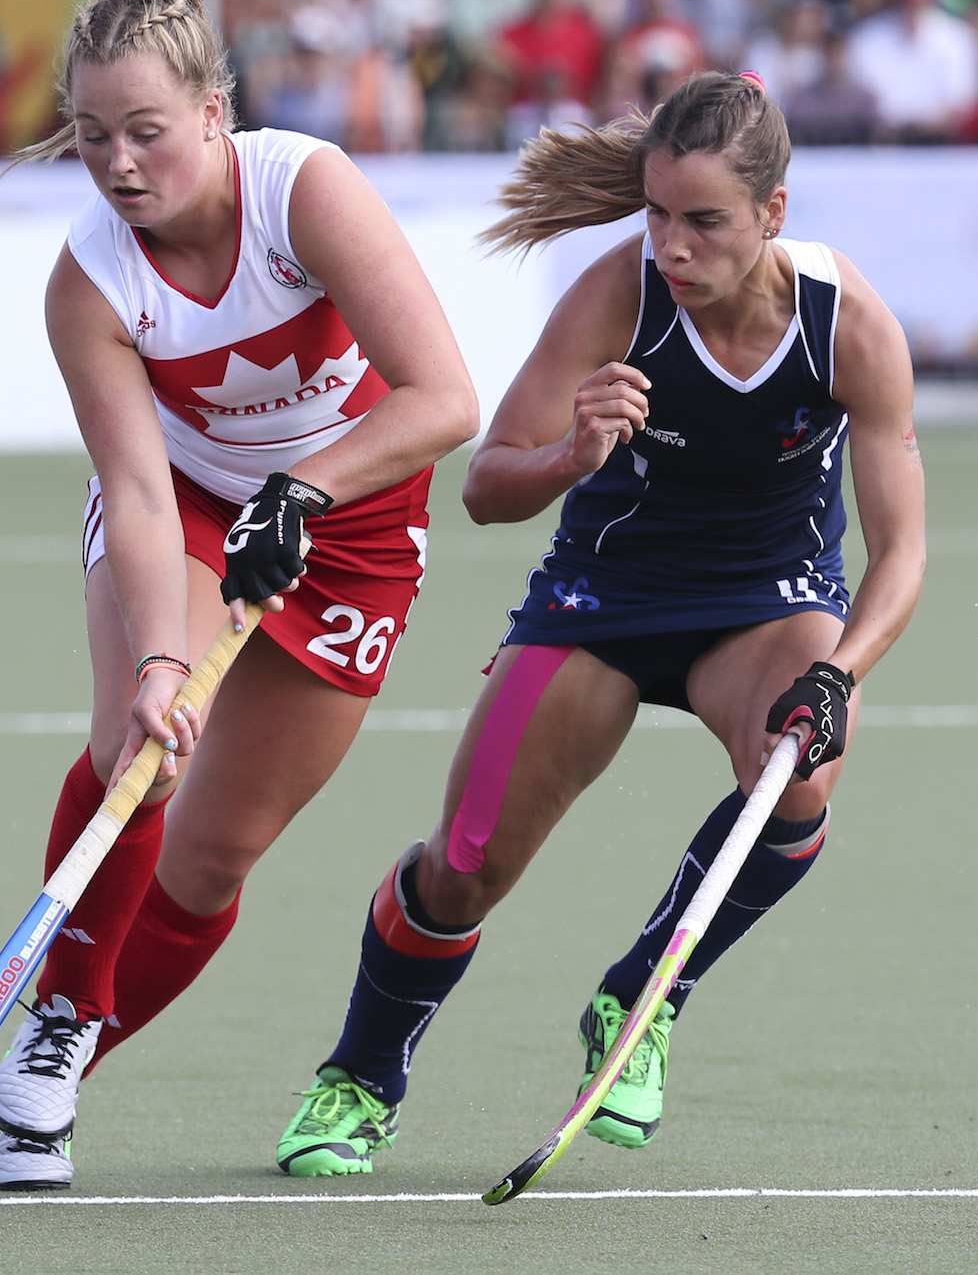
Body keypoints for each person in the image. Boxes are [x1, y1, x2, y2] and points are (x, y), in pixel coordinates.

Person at [276, 70, 925, 1177]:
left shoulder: (846, 323)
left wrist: (841, 675)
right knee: (466, 865)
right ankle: (358, 1076)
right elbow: (486, 486)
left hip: (766, 604)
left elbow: (901, 548)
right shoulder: (614, 296)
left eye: (705, 221)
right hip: (601, 602)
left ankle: (640, 998)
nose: (673, 246)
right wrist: (575, 453)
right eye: (659, 214)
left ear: (772, 213)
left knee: (806, 768)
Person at [0, 0, 478, 1189]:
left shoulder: (304, 191)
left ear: (216, 111)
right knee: (141, 752)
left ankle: (65, 1062)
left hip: (352, 517)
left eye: (147, 131)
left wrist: (304, 489)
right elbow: (141, 489)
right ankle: (56, 1023)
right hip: (195, 508)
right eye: (91, 136)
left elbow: (444, 399)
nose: (118, 163)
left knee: (212, 860)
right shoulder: (90, 282)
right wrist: (161, 659)